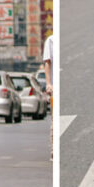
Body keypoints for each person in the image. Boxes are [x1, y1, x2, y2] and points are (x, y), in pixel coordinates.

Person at [42, 33, 56, 162]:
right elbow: (47, 63)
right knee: (55, 120)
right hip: (55, 88)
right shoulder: (51, 40)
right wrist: (48, 84)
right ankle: (54, 150)